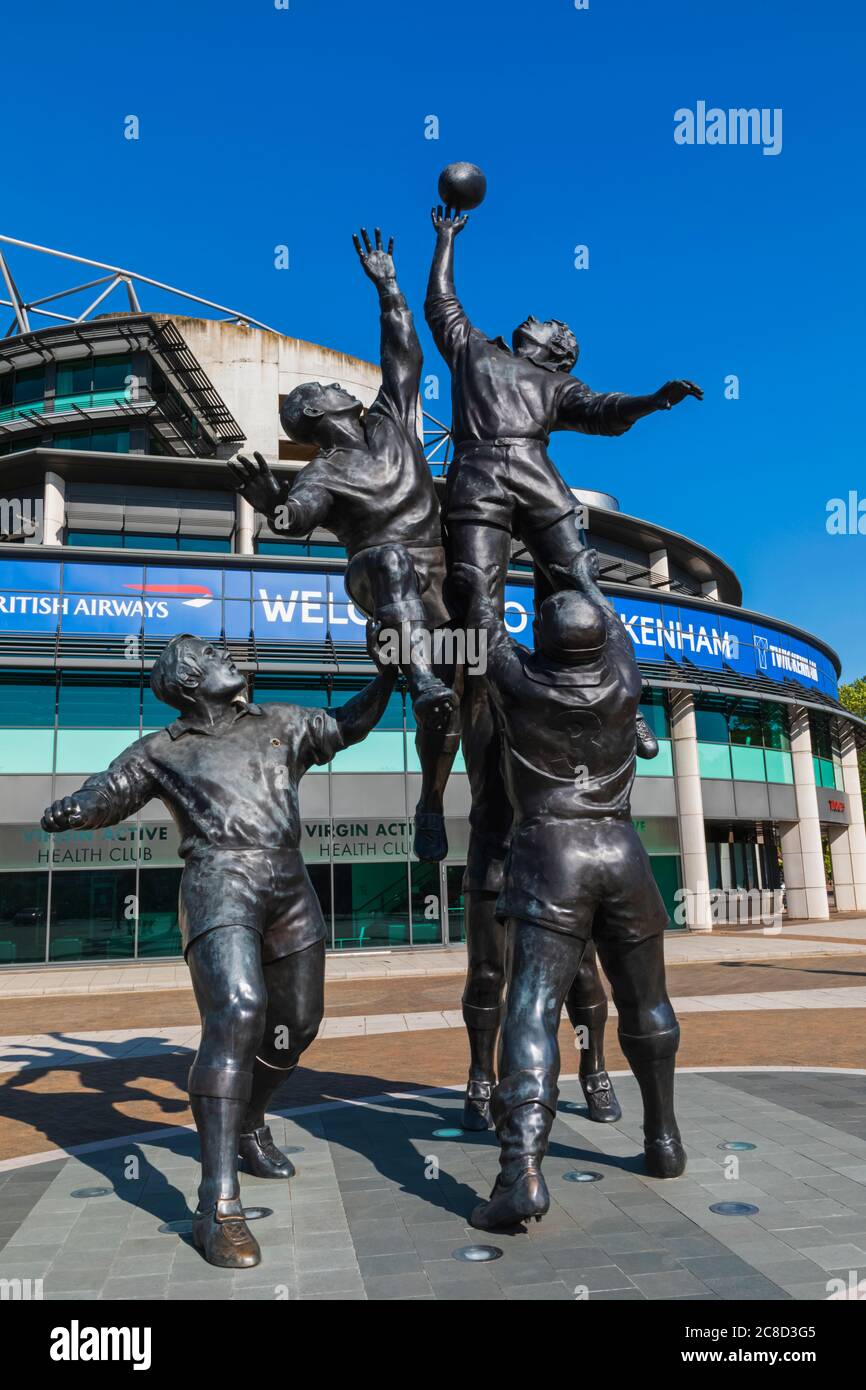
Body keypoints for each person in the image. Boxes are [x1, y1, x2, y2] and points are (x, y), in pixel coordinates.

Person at [426, 207, 694, 1129]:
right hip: (478, 475)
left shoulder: (555, 389)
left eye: (569, 350)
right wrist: (447, 236)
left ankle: (629, 709)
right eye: (556, 340)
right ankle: (464, 674)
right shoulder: (475, 355)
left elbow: (606, 412)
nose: (563, 351)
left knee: (583, 581)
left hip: (536, 475)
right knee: (472, 587)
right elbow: (442, 306)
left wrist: (653, 402)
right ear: (525, 337)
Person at [41, 632, 397, 1268]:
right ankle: (217, 1207)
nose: (231, 657)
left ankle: (250, 1124)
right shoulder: (162, 749)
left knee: (296, 1024)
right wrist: (75, 808)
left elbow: (348, 725)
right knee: (236, 1012)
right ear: (184, 680)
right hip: (218, 882)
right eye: (213, 655)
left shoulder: (281, 722)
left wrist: (389, 676)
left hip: (289, 884)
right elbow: (112, 789)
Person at [448, 552, 685, 1232]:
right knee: (650, 1002)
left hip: (553, 852)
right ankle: (663, 1140)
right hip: (623, 852)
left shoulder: (517, 683)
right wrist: (567, 560)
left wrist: (485, 553)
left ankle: (520, 1169)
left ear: (544, 642)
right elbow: (606, 615)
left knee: (529, 1008)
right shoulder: (623, 679)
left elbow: (482, 616)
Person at [230, 228, 459, 864]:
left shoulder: (390, 420)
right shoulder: (321, 473)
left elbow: (403, 357)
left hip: (442, 585)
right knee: (389, 563)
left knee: (477, 673)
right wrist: (270, 502)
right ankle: (421, 679)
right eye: (328, 389)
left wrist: (389, 287)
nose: (341, 388)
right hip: (382, 588)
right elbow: (295, 520)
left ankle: (431, 800)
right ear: (316, 410)